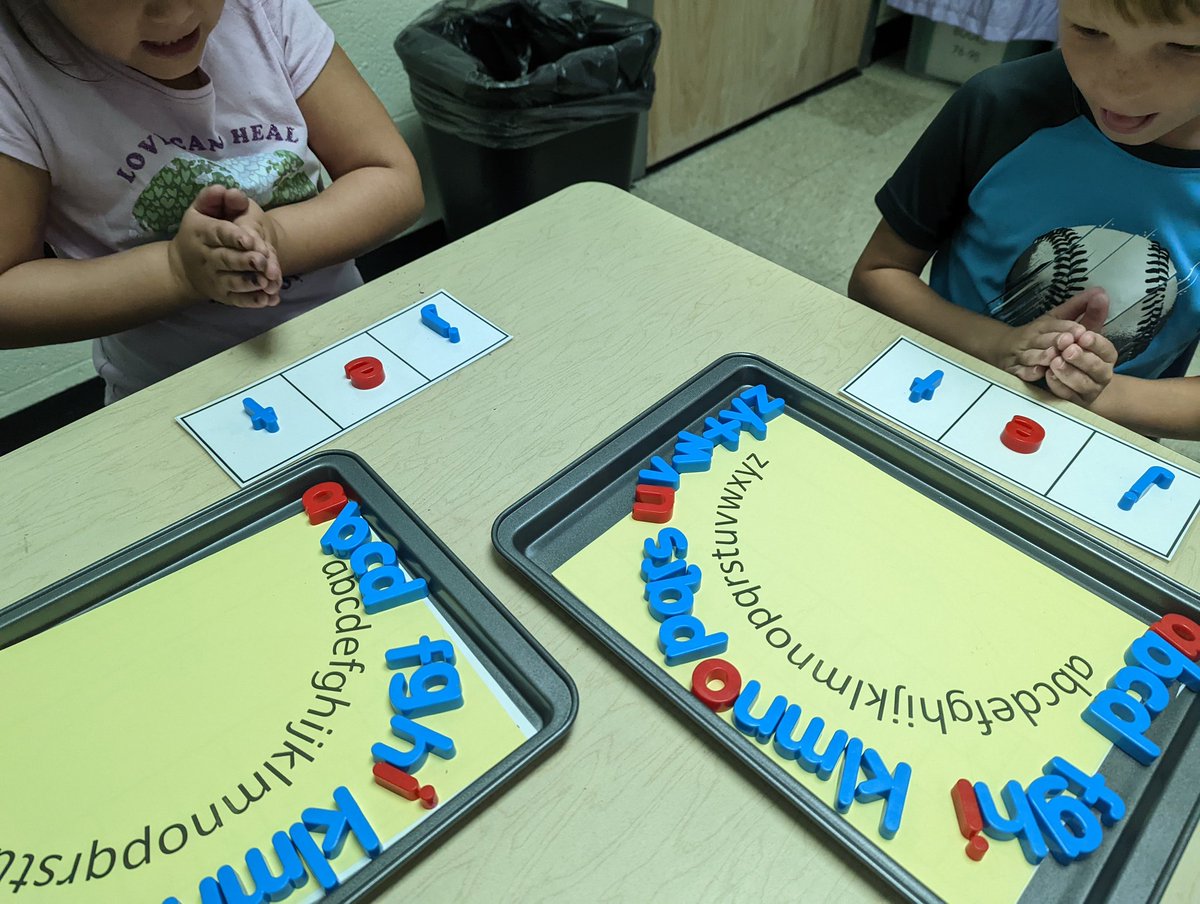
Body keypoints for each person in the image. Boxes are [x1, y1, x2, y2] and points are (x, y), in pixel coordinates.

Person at [0, 0, 424, 402]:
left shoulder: (263, 12)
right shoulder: (15, 66)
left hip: (347, 342)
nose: (175, 13)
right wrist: (179, 271)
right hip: (174, 393)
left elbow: (391, 177)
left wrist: (274, 238)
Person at [849, 0, 1200, 439]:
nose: (1118, 86)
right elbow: (878, 274)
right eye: (1089, 31)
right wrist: (998, 345)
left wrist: (1100, 394)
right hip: (935, 392)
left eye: (1186, 48)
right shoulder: (1000, 104)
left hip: (1102, 442)